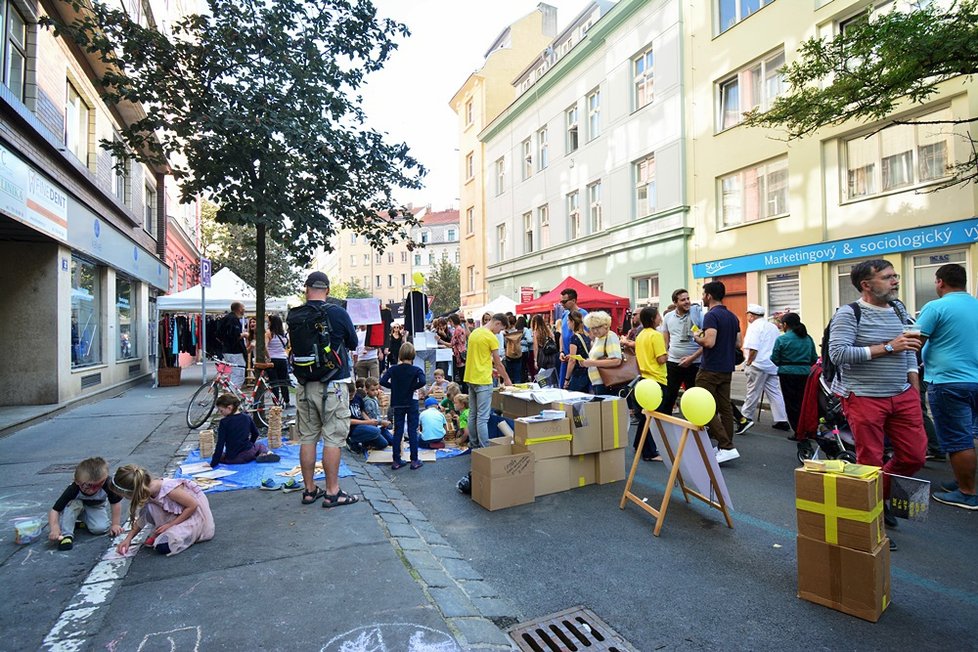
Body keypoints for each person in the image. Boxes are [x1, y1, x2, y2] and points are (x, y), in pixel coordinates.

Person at [828, 259, 926, 549]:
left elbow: (908, 349)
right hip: (864, 396)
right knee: (869, 462)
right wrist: (887, 348)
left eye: (895, 276)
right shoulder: (849, 313)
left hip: (902, 394)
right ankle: (871, 523)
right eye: (887, 277)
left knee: (914, 456)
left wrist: (914, 390)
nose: (895, 281)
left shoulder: (899, 309)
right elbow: (838, 354)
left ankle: (879, 498)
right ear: (866, 285)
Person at [288, 271, 360, 508]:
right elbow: (352, 343)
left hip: (305, 384)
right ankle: (332, 491)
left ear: (306, 288)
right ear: (327, 290)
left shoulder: (296, 315)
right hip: (334, 384)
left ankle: (309, 490)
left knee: (307, 438)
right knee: (333, 438)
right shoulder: (337, 313)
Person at [915, 263, 978, 510]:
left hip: (949, 381)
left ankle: (967, 492)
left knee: (957, 439)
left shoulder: (936, 307)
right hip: (974, 380)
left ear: (940, 282)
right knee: (969, 436)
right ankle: (964, 480)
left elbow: (914, 342)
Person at [112, 464, 214, 557]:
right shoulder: (146, 491)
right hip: (175, 515)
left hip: (192, 516)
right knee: (149, 508)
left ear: (133, 493)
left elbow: (193, 505)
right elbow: (142, 518)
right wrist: (128, 539)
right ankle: (164, 533)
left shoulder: (169, 489)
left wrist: (171, 525)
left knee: (163, 546)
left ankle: (186, 534)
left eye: (125, 496)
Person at [694, 281, 742, 464]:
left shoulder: (711, 316)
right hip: (727, 367)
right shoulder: (732, 316)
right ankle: (725, 446)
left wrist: (698, 338)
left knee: (702, 405)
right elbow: (738, 343)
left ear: (709, 296)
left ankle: (726, 446)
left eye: (703, 294)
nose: (702, 298)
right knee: (725, 408)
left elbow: (709, 343)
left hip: (710, 368)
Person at [48, 457, 124, 551]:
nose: (93, 490)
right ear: (77, 481)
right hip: (75, 507)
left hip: (95, 506)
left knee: (101, 528)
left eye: (99, 485)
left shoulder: (108, 484)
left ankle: (81, 523)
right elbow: (55, 510)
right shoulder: (73, 489)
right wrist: (54, 528)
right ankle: (67, 535)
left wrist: (115, 524)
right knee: (73, 505)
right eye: (88, 486)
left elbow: (115, 503)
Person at [464, 313, 513, 448]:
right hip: (483, 380)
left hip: (471, 377)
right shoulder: (491, 337)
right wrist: (507, 379)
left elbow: (478, 358)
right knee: (483, 418)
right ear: (497, 323)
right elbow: (498, 362)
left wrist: (490, 370)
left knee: (473, 414)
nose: (499, 332)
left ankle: (473, 444)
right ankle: (485, 448)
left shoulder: (474, 333)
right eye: (500, 329)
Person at [740, 304, 789, 433]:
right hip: (771, 364)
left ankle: (746, 417)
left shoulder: (754, 327)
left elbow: (753, 348)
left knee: (752, 391)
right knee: (775, 392)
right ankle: (782, 419)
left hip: (758, 364)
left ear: (751, 315)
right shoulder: (772, 327)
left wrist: (749, 362)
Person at [380, 342, 428, 469]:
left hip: (397, 401)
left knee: (398, 430)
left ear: (400, 355)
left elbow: (382, 381)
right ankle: (414, 460)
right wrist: (413, 387)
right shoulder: (416, 370)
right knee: (413, 430)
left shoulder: (393, 369)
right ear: (413, 355)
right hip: (411, 401)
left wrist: (395, 387)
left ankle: (396, 460)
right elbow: (423, 381)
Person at [771, 313, 818, 440]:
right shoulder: (808, 338)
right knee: (804, 403)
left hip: (787, 374)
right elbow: (814, 357)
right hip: (805, 373)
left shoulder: (782, 339)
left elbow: (774, 358)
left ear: (785, 325)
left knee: (791, 404)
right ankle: (807, 428)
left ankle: (798, 430)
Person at [632, 306, 667, 461]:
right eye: (658, 315)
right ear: (653, 318)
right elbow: (661, 359)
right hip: (657, 378)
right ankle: (649, 452)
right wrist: (667, 352)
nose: (660, 318)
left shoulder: (640, 335)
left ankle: (638, 444)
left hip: (644, 378)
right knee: (651, 417)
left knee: (646, 416)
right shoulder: (656, 335)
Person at [662, 289, 703, 415]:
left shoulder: (697, 315)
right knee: (669, 395)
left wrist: (691, 358)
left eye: (688, 299)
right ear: (675, 302)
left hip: (694, 363)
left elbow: (705, 340)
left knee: (694, 396)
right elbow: (666, 338)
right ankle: (665, 425)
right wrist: (666, 353)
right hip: (674, 362)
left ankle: (696, 426)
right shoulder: (668, 317)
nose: (687, 302)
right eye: (683, 300)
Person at [210, 393, 279, 466]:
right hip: (249, 453)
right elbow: (255, 433)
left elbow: (220, 444)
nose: (221, 413)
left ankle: (260, 454)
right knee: (259, 445)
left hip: (233, 458)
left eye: (221, 411)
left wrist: (213, 463)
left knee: (220, 455)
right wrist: (250, 445)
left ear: (229, 408)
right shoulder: (247, 417)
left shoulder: (224, 422)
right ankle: (264, 454)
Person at [578, 311, 623, 396]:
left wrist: (591, 363)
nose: (595, 331)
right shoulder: (598, 339)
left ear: (606, 326)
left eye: (598, 327)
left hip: (606, 382)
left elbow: (616, 360)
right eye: (592, 328)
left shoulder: (610, 336)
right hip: (599, 382)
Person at [347, 382, 394, 453]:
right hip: (353, 427)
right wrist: (368, 422)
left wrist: (370, 422)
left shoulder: (357, 397)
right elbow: (347, 420)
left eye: (353, 394)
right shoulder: (343, 401)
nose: (352, 397)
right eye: (350, 395)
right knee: (376, 431)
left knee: (384, 443)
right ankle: (352, 441)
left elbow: (362, 411)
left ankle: (367, 441)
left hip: (364, 425)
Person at [557, 288, 588, 390]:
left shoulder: (583, 314)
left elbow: (587, 336)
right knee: (562, 388)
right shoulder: (565, 314)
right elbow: (562, 334)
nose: (562, 304)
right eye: (561, 301)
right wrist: (561, 351)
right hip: (566, 358)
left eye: (564, 301)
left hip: (576, 361)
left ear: (574, 300)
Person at [218, 302, 248, 387]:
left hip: (227, 350)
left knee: (232, 374)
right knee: (238, 374)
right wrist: (244, 334)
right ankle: (232, 396)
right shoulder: (233, 319)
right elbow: (235, 336)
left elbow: (219, 334)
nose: (244, 310)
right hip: (235, 351)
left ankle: (229, 393)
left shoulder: (225, 318)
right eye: (243, 308)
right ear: (238, 309)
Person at [560, 310, 591, 393]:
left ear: (572, 322)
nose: (567, 323)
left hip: (578, 374)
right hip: (587, 374)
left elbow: (572, 361)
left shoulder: (574, 338)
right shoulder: (587, 335)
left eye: (568, 321)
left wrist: (566, 379)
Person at [264, 315, 291, 408]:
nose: (268, 323)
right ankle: (287, 402)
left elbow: (265, 346)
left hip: (272, 360)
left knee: (274, 382)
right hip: (283, 359)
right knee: (284, 381)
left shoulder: (268, 333)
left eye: (269, 321)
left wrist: (268, 357)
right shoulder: (283, 334)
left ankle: (276, 403)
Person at [532, 314, 559, 386]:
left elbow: (536, 347)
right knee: (551, 373)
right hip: (551, 354)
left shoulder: (536, 332)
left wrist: (535, 360)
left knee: (541, 375)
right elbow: (554, 341)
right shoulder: (548, 330)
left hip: (542, 355)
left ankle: (543, 387)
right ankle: (552, 387)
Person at [503, 315, 525, 383]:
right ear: (515, 323)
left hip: (509, 355)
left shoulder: (505, 334)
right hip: (518, 354)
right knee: (517, 374)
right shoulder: (520, 332)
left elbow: (504, 344)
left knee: (509, 374)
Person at [449, 314, 468, 387]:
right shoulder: (460, 329)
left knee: (462, 375)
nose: (450, 323)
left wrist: (440, 341)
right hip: (462, 354)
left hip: (459, 355)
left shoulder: (457, 330)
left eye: (450, 321)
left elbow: (452, 343)